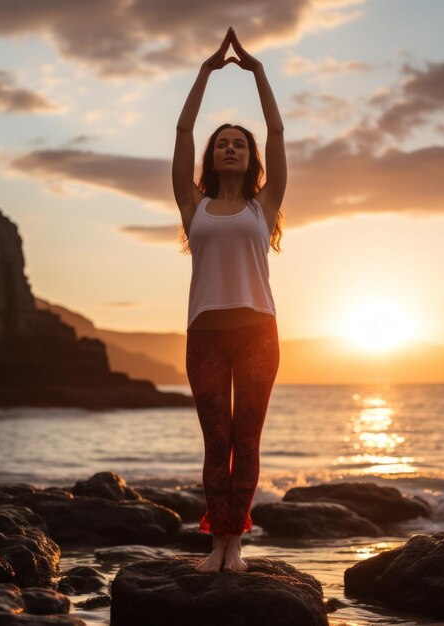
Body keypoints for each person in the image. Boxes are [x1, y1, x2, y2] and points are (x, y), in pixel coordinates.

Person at [172, 27, 286, 574]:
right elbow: (183, 128)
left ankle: (236, 543)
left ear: (251, 156)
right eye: (223, 144)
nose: (231, 147)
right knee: (217, 441)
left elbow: (279, 131)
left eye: (240, 142)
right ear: (213, 159)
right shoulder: (193, 207)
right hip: (206, 336)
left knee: (248, 437)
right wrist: (207, 72)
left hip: (259, 334)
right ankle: (215, 542)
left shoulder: (263, 208)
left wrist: (259, 73)